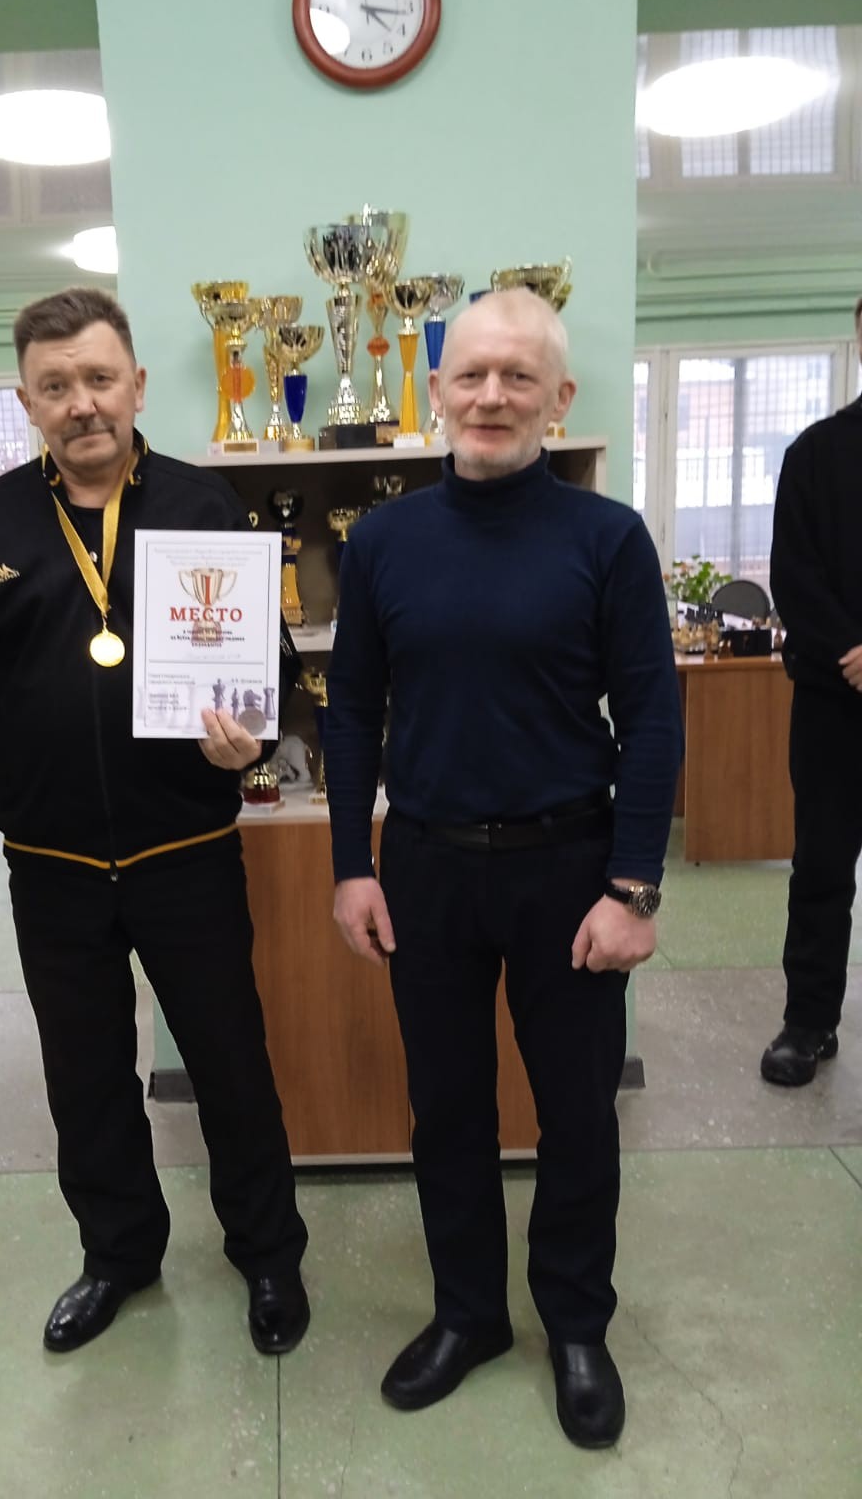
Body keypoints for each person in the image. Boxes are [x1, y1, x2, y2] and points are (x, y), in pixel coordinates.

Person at [0, 287, 309, 1357]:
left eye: (99, 379)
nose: (82, 403)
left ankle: (268, 1255)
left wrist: (250, 739)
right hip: (51, 860)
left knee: (229, 1063)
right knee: (85, 1074)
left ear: (136, 386)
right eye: (55, 387)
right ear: (28, 402)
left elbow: (272, 670)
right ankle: (118, 1254)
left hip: (185, 851)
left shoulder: (202, 505)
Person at [323, 289, 683, 1449]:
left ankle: (576, 1323)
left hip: (568, 871)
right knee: (447, 1110)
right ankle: (469, 1314)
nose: (491, 396)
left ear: (557, 397)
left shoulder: (606, 538)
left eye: (518, 376)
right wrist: (351, 862)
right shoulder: (382, 543)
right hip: (426, 869)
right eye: (471, 374)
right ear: (437, 389)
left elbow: (652, 717)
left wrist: (633, 887)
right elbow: (351, 712)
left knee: (577, 1114)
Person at [762, 295, 862, 1086]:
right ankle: (808, 1022)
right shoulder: (817, 454)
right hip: (836, 700)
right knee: (822, 868)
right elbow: (793, 576)